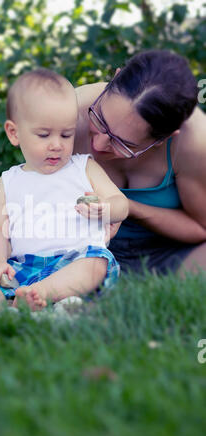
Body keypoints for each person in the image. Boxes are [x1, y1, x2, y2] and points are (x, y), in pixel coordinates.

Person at [0, 68, 128, 310]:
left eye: (66, 135)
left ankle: (40, 294)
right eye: (44, 135)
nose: (57, 145)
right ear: (14, 133)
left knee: (96, 263)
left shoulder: (83, 167)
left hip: (76, 260)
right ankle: (16, 304)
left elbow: (121, 204)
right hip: (23, 265)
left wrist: (107, 208)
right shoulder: (9, 181)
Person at [73, 49, 206, 275]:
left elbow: (200, 228)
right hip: (80, 247)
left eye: (123, 144)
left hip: (168, 251)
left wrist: (127, 208)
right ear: (115, 77)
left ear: (164, 139)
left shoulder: (194, 141)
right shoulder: (70, 110)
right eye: (100, 119)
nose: (99, 144)